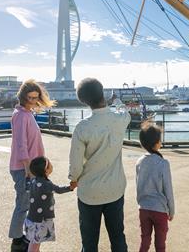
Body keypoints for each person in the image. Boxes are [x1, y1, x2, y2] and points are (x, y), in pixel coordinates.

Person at [69, 78, 131, 252]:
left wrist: (73, 180)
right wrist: (117, 100)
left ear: (83, 101)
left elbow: (75, 164)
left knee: (89, 243)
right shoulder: (120, 119)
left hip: (89, 193)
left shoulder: (82, 128)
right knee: (118, 237)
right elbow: (125, 112)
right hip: (115, 189)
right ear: (102, 92)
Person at [9, 79, 55, 252]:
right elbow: (21, 145)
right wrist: (29, 171)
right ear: (23, 97)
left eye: (36, 98)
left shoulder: (26, 113)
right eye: (30, 98)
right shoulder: (21, 115)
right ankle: (17, 241)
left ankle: (21, 237)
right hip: (24, 169)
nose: (33, 101)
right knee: (23, 204)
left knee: (26, 204)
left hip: (30, 168)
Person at [136, 122, 175, 252]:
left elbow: (139, 186)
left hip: (144, 208)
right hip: (160, 210)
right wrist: (171, 210)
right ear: (157, 142)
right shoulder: (163, 163)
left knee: (145, 240)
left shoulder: (139, 162)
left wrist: (141, 203)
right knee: (160, 244)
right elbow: (168, 189)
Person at [25, 157, 76, 252]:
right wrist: (70, 187)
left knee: (35, 241)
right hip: (41, 220)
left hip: (31, 218)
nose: (52, 165)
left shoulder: (32, 181)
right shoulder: (46, 184)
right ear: (46, 170)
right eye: (50, 164)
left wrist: (27, 176)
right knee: (35, 244)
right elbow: (59, 190)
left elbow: (26, 185)